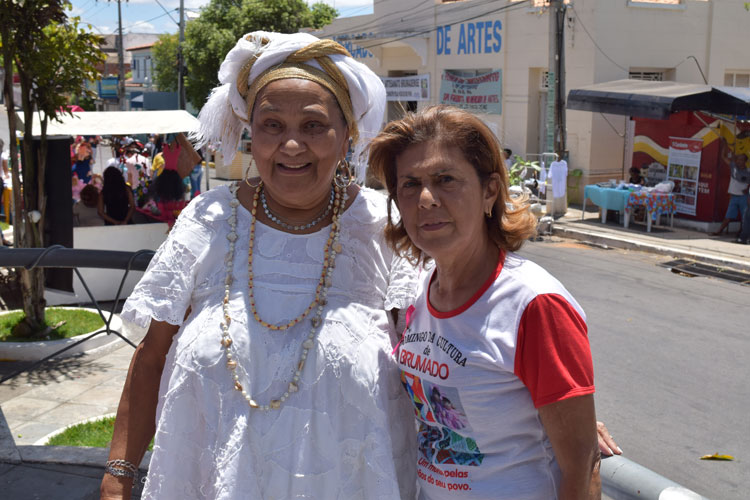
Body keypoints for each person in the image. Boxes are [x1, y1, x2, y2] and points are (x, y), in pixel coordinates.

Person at [100, 31, 418, 500]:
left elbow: (433, 367)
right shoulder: (206, 220)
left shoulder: (386, 227)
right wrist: (119, 474)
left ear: (347, 133)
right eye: (272, 125)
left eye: (313, 126)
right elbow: (151, 357)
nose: (291, 145)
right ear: (251, 131)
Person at [369, 105, 601, 499]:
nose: (426, 199)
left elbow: (582, 467)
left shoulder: (534, 305)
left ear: (489, 191)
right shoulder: (420, 289)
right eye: (409, 184)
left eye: (445, 179)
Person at [711, 152, 749, 237]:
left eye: (741, 160)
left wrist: (748, 189)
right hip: (733, 196)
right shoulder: (733, 167)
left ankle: (742, 233)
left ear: (745, 161)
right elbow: (723, 156)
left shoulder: (748, 171)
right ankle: (719, 231)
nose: (739, 161)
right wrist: (724, 143)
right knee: (728, 215)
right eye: (738, 159)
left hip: (744, 197)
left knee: (744, 217)